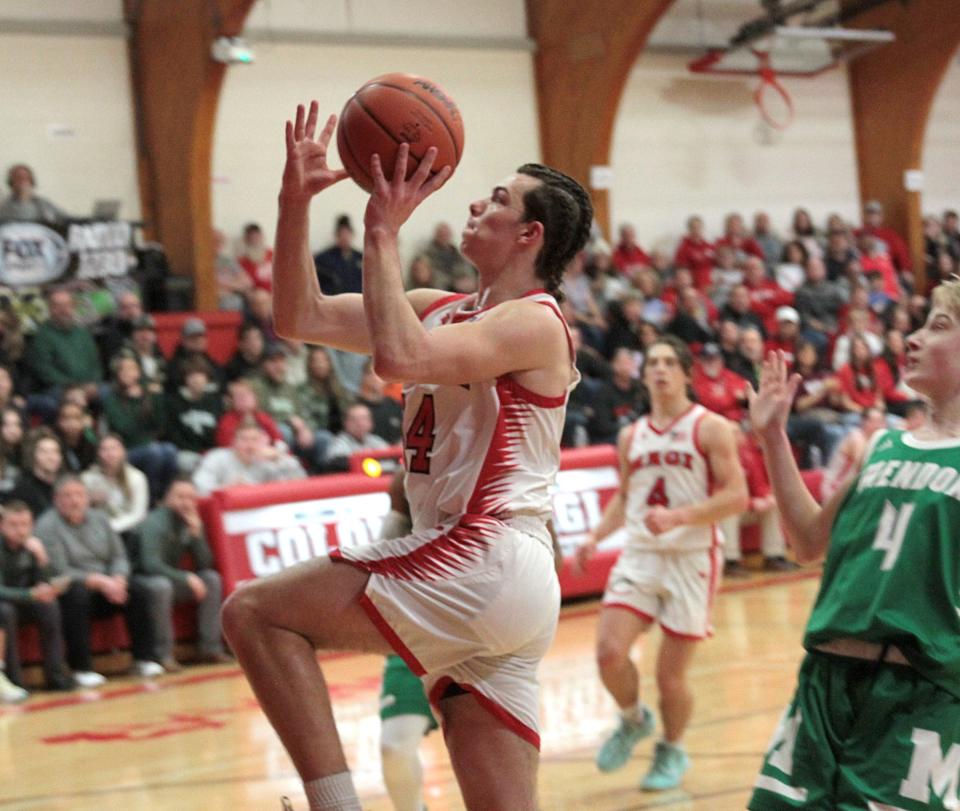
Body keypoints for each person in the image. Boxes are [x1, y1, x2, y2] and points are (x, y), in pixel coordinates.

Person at [220, 101, 590, 811]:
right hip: (499, 583)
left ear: (528, 236)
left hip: (481, 553)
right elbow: (299, 315)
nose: (477, 201)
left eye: (500, 199)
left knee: (256, 615)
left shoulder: (536, 323)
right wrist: (293, 201)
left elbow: (399, 357)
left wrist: (382, 227)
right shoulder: (438, 305)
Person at [746, 279, 960, 809]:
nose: (911, 338)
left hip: (920, 698)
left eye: (938, 325)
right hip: (824, 682)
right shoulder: (880, 445)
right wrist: (773, 437)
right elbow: (807, 541)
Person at [576, 336, 747, 791]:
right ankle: (633, 719)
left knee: (669, 677)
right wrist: (595, 536)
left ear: (686, 374)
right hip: (641, 556)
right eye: (653, 362)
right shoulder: (631, 435)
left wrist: (679, 517)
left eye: (670, 362)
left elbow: (737, 495)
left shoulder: (710, 427)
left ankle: (672, 747)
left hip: (692, 557)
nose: (660, 370)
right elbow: (627, 499)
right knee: (609, 653)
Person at [39, 476, 162, 683]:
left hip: (107, 586)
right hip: (72, 588)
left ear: (87, 498)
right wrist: (99, 581)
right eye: (67, 496)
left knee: (138, 590)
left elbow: (118, 556)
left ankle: (143, 659)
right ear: (56, 499)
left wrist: (118, 578)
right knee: (75, 596)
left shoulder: (100, 519)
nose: (74, 501)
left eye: (79, 495)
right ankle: (81, 669)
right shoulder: (46, 527)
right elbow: (59, 571)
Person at [131, 477, 230, 672]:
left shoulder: (189, 520)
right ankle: (163, 654)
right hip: (140, 581)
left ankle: (210, 648)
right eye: (179, 497)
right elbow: (149, 565)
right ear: (167, 499)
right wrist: (185, 577)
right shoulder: (155, 522)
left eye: (190, 497)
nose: (185, 502)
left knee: (211, 579)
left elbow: (204, 563)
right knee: (161, 586)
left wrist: (197, 534)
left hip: (167, 579)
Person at [0, 500, 74, 692]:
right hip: (6, 603)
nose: (20, 530)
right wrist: (32, 594)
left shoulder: (33, 546)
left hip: (26, 601)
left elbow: (43, 583)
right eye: (14, 525)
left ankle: (55, 675)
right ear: (2, 526)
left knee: (50, 606)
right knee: (5, 611)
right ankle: (14, 679)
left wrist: (42, 560)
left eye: (25, 524)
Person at [193, 419, 305, 496]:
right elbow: (199, 486)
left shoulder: (268, 459)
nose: (249, 445)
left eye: (254, 440)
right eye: (244, 439)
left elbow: (300, 483)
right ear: (233, 442)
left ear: (262, 442)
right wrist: (227, 490)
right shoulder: (217, 457)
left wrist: (279, 458)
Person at [81, 434, 150, 535]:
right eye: (104, 449)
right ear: (98, 453)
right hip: (98, 530)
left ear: (123, 452)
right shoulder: (87, 478)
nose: (110, 454)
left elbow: (138, 514)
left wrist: (110, 528)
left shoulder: (137, 478)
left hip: (129, 530)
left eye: (114, 448)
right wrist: (90, 501)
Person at [321, 402, 390, 472]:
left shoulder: (376, 440)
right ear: (345, 423)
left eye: (364, 419)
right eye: (354, 420)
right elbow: (337, 462)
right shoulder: (339, 441)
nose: (360, 424)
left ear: (371, 422)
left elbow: (391, 459)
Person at [0, 163, 67, 224]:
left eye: (26, 178)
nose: (22, 181)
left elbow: (66, 220)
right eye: (18, 178)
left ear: (32, 181)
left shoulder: (45, 205)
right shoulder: (3, 207)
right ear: (11, 182)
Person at [313, 213, 363, 295]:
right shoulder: (323, 259)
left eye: (347, 234)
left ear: (352, 235)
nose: (344, 238)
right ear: (337, 236)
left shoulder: (361, 258)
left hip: (357, 300)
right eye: (341, 234)